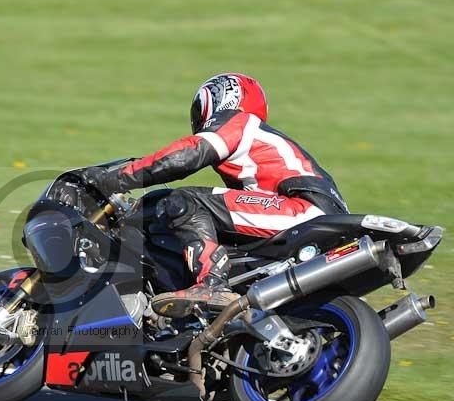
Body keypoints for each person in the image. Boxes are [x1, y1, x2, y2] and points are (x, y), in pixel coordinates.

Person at [82, 73, 348, 317]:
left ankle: (211, 284)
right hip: (310, 215)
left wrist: (112, 179)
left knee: (184, 201)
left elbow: (185, 156)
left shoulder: (239, 122)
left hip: (304, 210)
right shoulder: (256, 151)